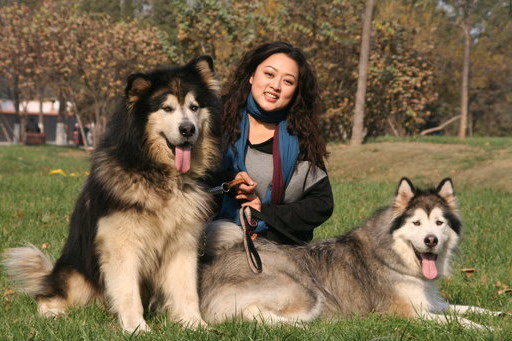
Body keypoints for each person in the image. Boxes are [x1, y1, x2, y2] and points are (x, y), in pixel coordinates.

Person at [214, 41, 333, 245]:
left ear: (296, 91)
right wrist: (230, 179)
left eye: (288, 81)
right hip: (212, 237)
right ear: (252, 76)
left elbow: (321, 204)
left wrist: (264, 212)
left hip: (277, 249)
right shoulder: (216, 119)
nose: (275, 86)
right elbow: (188, 179)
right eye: (269, 74)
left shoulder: (301, 136)